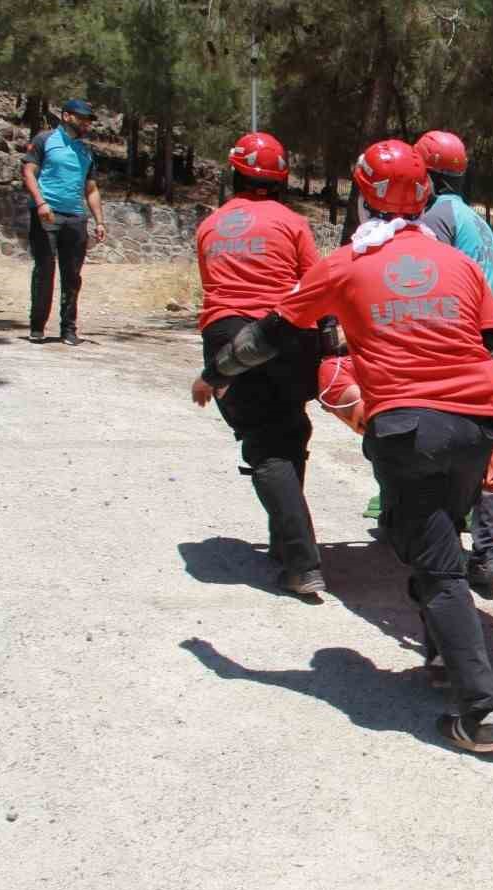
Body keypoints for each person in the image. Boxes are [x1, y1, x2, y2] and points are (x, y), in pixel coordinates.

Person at [193, 139, 493, 755]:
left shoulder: (347, 262)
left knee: (433, 564)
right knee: (436, 539)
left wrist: (218, 371)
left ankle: (479, 712)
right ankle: (438, 655)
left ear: (361, 196)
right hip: (476, 425)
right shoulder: (459, 267)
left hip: (411, 432)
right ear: (426, 195)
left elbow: (267, 335)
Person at [189, 132, 328, 596]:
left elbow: (214, 286)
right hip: (288, 332)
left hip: (229, 333)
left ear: (235, 173)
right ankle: (283, 544)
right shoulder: (292, 223)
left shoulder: (210, 225)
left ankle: (301, 561)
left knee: (266, 443)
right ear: (281, 179)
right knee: (290, 429)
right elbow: (314, 283)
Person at [414, 129, 493, 588]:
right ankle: (489, 551)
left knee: (449, 446)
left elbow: (429, 279)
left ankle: (444, 543)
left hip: (464, 340)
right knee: (491, 444)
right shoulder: (477, 220)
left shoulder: (435, 216)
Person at [21, 99, 106, 345]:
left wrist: (99, 221)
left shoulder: (85, 151)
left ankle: (68, 330)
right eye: (83, 118)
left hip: (76, 219)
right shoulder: (44, 140)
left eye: (89, 120)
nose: (87, 124)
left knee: (72, 276)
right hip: (47, 215)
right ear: (67, 116)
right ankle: (37, 327)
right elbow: (28, 172)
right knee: (45, 270)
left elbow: (91, 189)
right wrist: (40, 203)